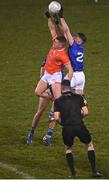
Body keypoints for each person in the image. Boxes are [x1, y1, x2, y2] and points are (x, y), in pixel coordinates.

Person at [53, 79, 102, 178]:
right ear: (70, 87)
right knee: (89, 145)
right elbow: (86, 112)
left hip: (67, 128)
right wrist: (79, 118)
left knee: (68, 148)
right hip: (79, 125)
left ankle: (73, 174)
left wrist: (62, 123)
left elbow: (57, 118)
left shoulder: (57, 101)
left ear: (62, 88)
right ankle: (94, 171)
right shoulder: (79, 97)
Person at [34, 16, 73, 100]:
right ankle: (52, 98)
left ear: (60, 45)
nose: (54, 42)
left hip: (55, 77)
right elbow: (52, 29)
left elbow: (70, 69)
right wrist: (48, 17)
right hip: (47, 74)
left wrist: (67, 81)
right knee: (38, 92)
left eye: (56, 42)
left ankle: (62, 107)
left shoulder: (63, 55)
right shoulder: (55, 45)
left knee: (59, 99)